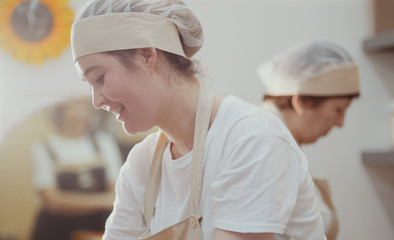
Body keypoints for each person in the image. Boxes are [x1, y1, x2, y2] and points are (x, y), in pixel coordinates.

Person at [70, 1, 326, 239]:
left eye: (99, 78)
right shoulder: (143, 163)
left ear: (146, 55)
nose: (96, 100)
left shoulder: (251, 138)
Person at [257, 39, 360, 240]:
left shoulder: (281, 142)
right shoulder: (270, 146)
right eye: (338, 110)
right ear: (301, 102)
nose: (340, 123)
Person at [30, 98, 123, 240]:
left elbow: (116, 191)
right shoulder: (43, 147)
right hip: (55, 230)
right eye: (77, 106)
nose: (85, 111)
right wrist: (104, 201)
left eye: (86, 106)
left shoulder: (103, 142)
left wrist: (70, 201)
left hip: (97, 227)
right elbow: (51, 201)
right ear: (60, 111)